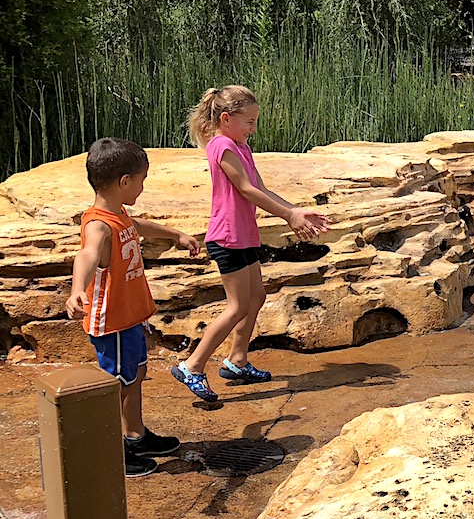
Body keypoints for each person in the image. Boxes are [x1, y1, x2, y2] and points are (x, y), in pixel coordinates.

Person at [171, 85, 330, 402]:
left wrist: (295, 213)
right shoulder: (221, 146)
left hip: (244, 235)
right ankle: (192, 365)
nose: (254, 129)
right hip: (227, 237)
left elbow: (260, 187)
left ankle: (237, 361)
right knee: (238, 305)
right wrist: (288, 215)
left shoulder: (241, 147)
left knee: (255, 297)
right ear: (226, 118)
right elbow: (245, 189)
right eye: (250, 122)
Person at [67, 138, 202, 478]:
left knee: (135, 375)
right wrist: (76, 290)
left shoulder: (119, 214)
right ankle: (113, 450)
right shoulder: (97, 224)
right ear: (124, 182)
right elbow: (85, 254)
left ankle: (136, 435)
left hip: (129, 316)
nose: (143, 187)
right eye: (142, 180)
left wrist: (176, 235)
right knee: (116, 384)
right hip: (111, 321)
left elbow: (138, 226)